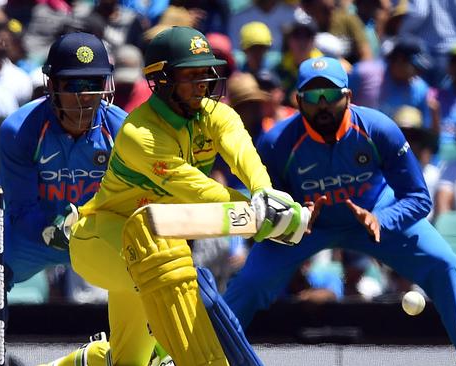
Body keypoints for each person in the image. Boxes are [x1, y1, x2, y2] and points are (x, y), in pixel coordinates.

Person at [71, 26, 311, 365]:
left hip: (156, 243)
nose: (202, 84)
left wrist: (265, 194)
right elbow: (198, 191)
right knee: (174, 287)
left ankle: (87, 360)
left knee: (128, 362)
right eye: (190, 75)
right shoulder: (141, 134)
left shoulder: (216, 114)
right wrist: (266, 217)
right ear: (163, 79)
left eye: (205, 74)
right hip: (102, 238)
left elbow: (242, 153)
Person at [223, 57, 456, 366]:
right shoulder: (275, 143)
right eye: (312, 97)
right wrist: (295, 217)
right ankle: (201, 357)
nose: (323, 105)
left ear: (348, 97)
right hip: (310, 225)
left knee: (445, 263)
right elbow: (273, 202)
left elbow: (418, 198)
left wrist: (381, 219)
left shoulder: (379, 129)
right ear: (298, 101)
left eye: (332, 95)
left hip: (377, 215)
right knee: (249, 283)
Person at [0, 32, 124, 365]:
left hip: (99, 233)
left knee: (158, 265)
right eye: (73, 84)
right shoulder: (20, 129)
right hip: (37, 233)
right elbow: (21, 207)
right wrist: (52, 229)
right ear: (52, 84)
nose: (84, 96)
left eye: (92, 82)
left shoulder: (122, 131)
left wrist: (87, 225)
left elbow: (127, 199)